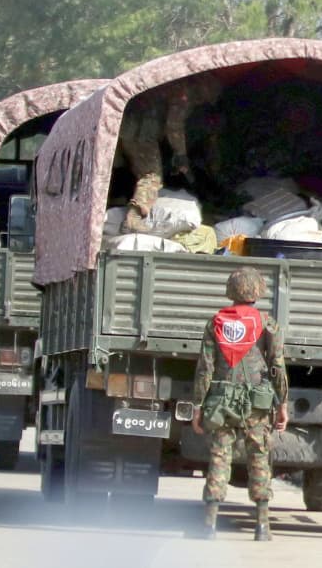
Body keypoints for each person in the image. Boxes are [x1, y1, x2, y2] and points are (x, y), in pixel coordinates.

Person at [190, 267, 289, 540]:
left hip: (221, 402)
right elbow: (277, 366)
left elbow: (205, 369)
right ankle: (262, 526)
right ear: (257, 292)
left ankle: (209, 525)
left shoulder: (216, 323)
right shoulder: (268, 324)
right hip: (257, 404)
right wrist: (282, 404)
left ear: (231, 290)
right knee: (259, 457)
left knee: (220, 457)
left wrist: (197, 406)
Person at [119, 75, 221, 233]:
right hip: (142, 135)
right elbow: (174, 125)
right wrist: (181, 155)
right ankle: (134, 217)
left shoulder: (172, 87)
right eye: (213, 91)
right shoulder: (184, 93)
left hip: (127, 130)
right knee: (152, 177)